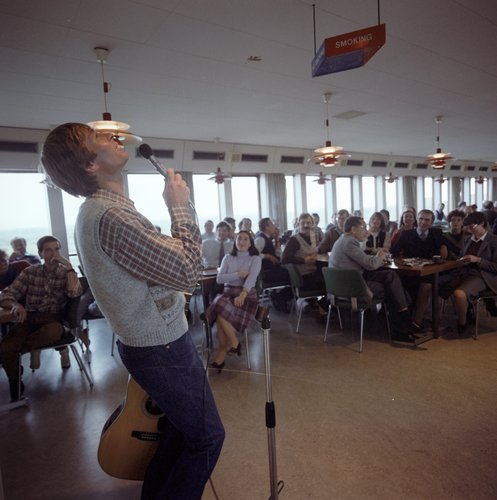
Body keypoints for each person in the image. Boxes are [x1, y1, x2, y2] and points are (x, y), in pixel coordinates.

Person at [41, 123, 224, 500]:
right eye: (102, 139)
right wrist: (179, 207)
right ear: (91, 165)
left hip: (153, 343)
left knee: (180, 431)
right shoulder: (110, 217)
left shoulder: (104, 212)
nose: (116, 138)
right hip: (162, 348)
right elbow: (188, 271)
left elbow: (157, 272)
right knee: (207, 437)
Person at [0, 235, 82, 401]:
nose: (54, 254)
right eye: (48, 250)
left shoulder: (65, 273)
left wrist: (69, 267)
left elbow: (75, 292)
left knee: (51, 332)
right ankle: (16, 384)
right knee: (6, 346)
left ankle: (15, 356)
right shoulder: (31, 271)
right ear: (40, 253)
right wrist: (15, 305)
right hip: (28, 319)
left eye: (57, 249)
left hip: (53, 319)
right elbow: (6, 294)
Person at [328, 216, 415, 342]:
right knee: (393, 289)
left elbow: (364, 260)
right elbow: (371, 264)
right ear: (353, 229)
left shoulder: (345, 240)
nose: (366, 231)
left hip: (350, 283)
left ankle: (403, 320)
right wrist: (380, 256)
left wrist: (375, 255)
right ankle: (401, 327)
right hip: (351, 289)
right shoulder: (349, 242)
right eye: (363, 227)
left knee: (390, 275)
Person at [207, 231, 261, 370]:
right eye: (239, 238)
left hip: (246, 294)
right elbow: (220, 279)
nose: (241, 241)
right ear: (235, 241)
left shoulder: (255, 258)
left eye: (245, 239)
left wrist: (242, 294)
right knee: (220, 304)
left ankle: (221, 355)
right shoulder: (228, 257)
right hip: (227, 293)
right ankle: (235, 343)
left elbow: (251, 279)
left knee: (219, 309)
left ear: (250, 243)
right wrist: (237, 274)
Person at [443, 212, 497, 337]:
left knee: (459, 294)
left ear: (482, 224)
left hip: (483, 276)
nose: (470, 230)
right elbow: (463, 256)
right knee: (434, 284)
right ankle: (467, 312)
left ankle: (462, 323)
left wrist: (478, 260)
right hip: (463, 272)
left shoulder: (494, 241)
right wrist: (462, 260)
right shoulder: (468, 239)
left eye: (472, 227)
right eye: (468, 228)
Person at [254, 218, 291, 311]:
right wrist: (267, 256)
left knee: (291, 272)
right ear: (267, 227)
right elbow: (252, 254)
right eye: (272, 224)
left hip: (272, 269)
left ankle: (278, 296)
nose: (275, 226)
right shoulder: (261, 239)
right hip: (266, 273)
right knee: (294, 276)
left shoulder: (269, 238)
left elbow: (278, 255)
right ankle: (280, 297)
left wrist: (276, 239)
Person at [281, 212, 325, 291]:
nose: (306, 225)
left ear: (312, 225)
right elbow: (284, 259)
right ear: (298, 225)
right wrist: (303, 260)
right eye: (303, 223)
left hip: (312, 272)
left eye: (308, 223)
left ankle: (315, 302)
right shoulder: (294, 240)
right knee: (331, 281)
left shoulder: (312, 237)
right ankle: (323, 303)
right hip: (304, 277)